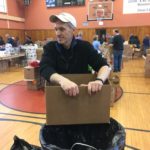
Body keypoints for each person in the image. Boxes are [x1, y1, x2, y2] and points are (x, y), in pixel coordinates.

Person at [40, 12, 110, 97]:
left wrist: (99, 80)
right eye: (56, 29)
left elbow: (104, 66)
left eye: (62, 29)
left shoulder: (85, 47)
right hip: (59, 94)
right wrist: (63, 81)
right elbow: (45, 68)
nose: (58, 33)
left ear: (73, 30)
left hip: (82, 94)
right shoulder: (50, 47)